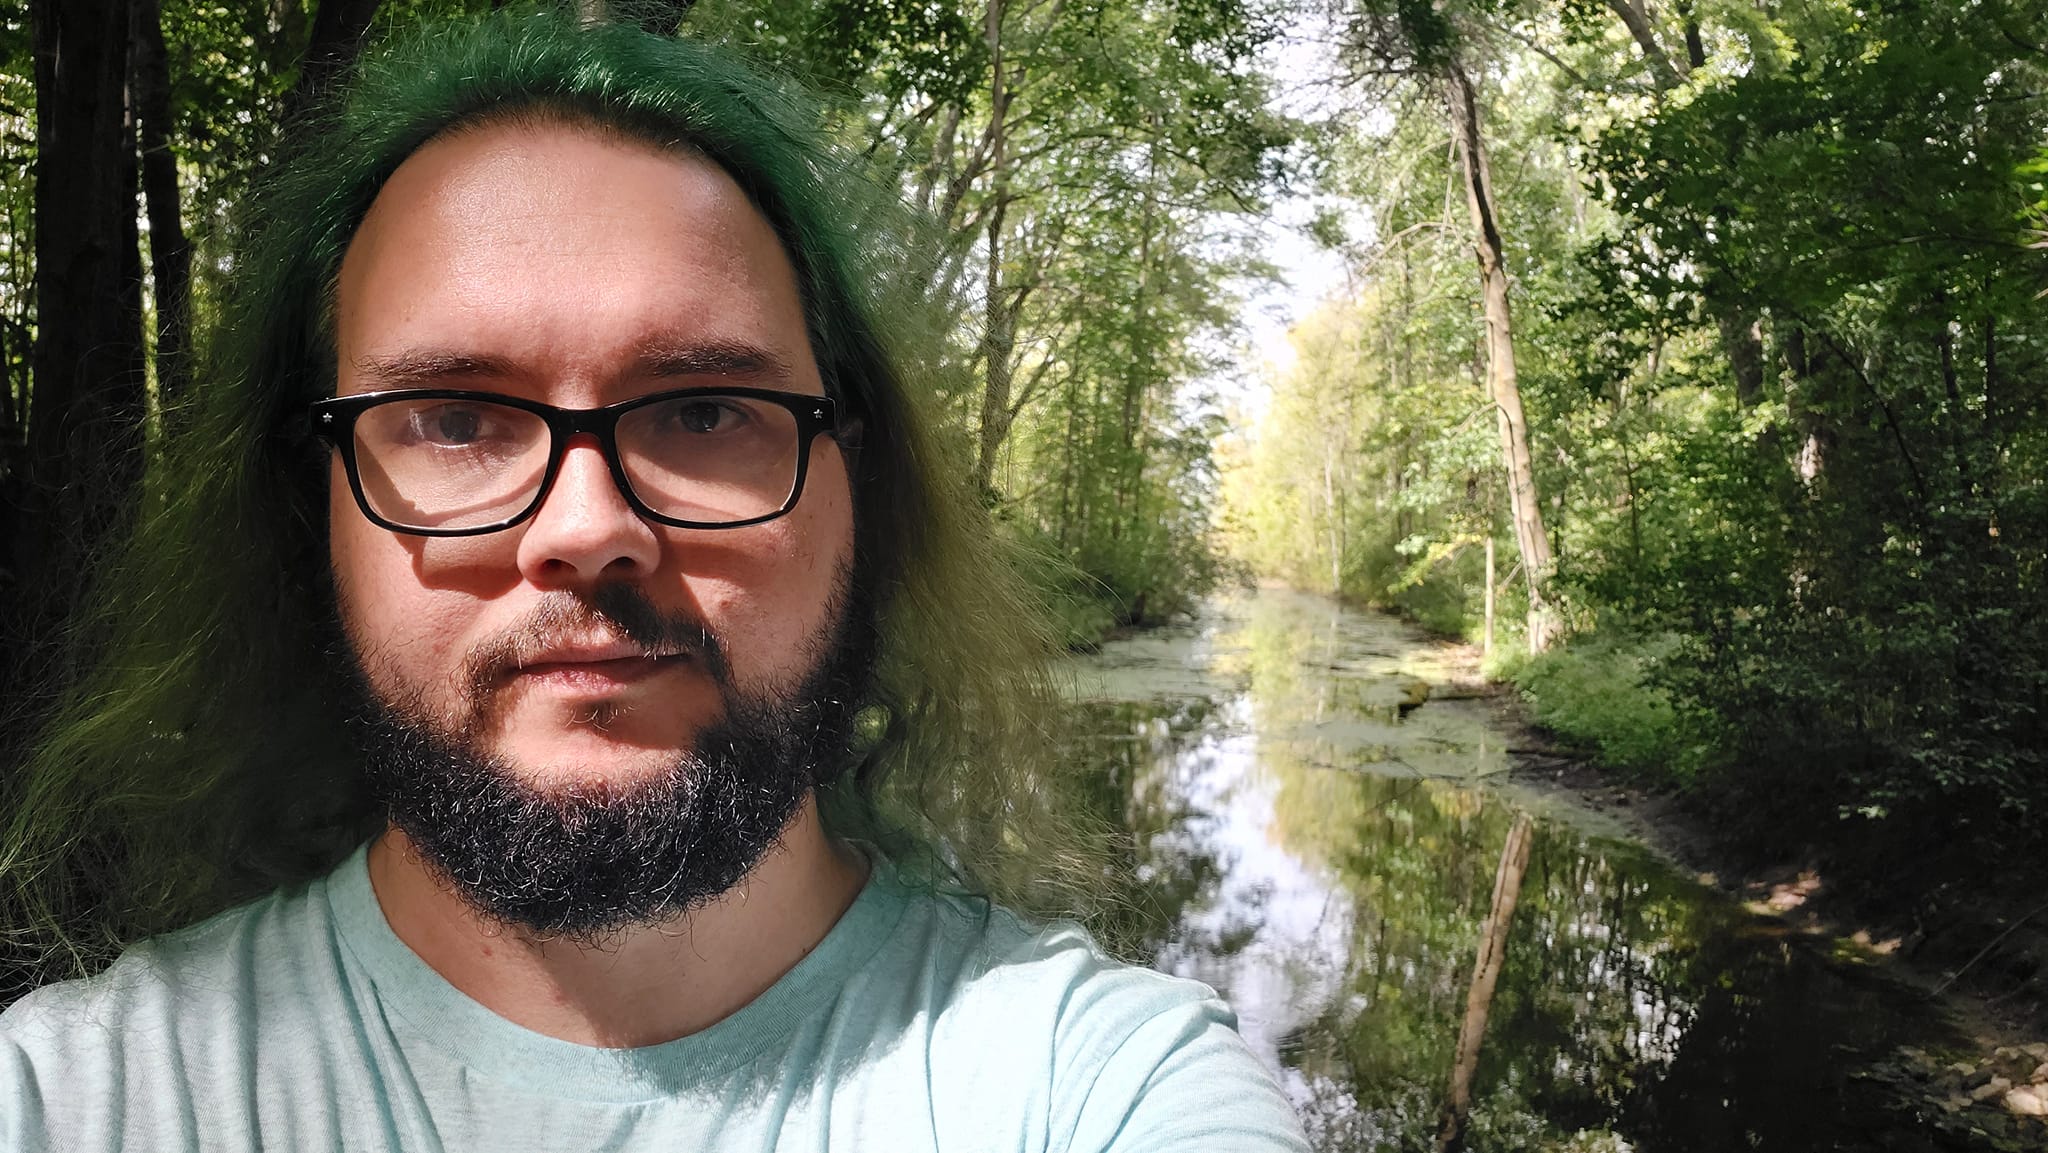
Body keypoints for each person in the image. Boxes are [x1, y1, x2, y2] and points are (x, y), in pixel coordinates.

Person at [0, 8, 1308, 1152]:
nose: (586, 526)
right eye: (455, 418)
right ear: (313, 516)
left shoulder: (1095, 1089)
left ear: (864, 489)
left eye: (702, 410)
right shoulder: (69, 1098)